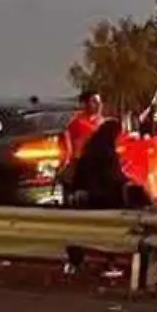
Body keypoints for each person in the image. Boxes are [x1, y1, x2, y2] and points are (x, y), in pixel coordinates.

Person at [59, 92, 104, 274]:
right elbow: (68, 150)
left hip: (98, 174)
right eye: (93, 101)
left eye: (99, 101)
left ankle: (102, 258)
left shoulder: (104, 124)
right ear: (85, 103)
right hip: (79, 173)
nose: (97, 104)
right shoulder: (75, 124)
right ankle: (76, 259)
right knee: (74, 216)